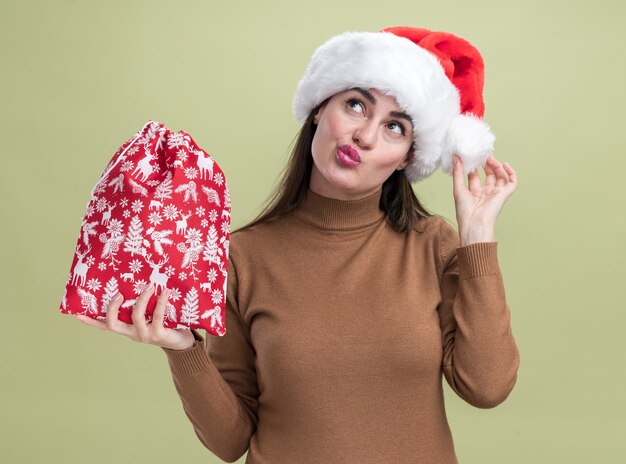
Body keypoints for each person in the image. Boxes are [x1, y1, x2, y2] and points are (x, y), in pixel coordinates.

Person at [76, 26, 520, 463]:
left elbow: (486, 387)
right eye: (355, 105)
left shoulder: (433, 246)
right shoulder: (242, 257)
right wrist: (184, 350)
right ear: (317, 109)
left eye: (395, 127)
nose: (364, 136)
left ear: (407, 158)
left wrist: (477, 240)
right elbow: (230, 441)